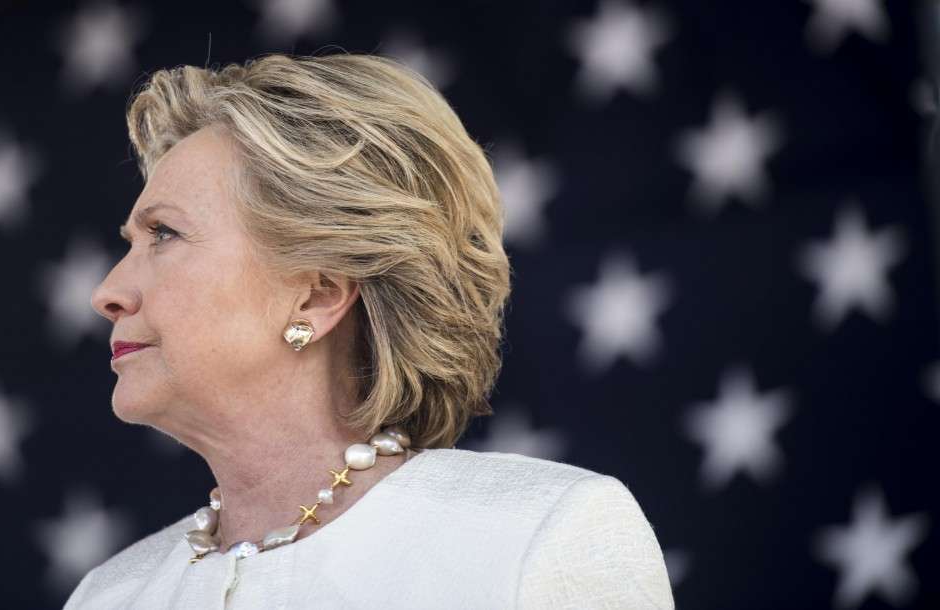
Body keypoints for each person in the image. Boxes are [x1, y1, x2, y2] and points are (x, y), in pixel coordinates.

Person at [68, 52, 675, 609]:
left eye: (164, 235)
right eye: (132, 243)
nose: (107, 294)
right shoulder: (108, 596)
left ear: (318, 294)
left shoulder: (539, 537)